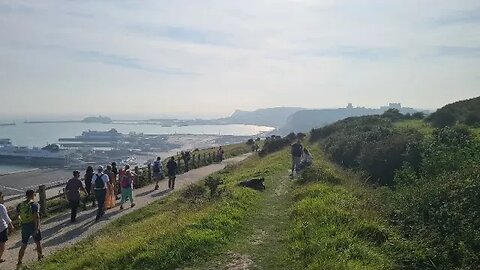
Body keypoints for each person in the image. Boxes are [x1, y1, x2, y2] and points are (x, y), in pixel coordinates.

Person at [17, 190, 43, 266]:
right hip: (32, 225)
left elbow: (18, 215)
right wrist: (37, 227)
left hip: (24, 226)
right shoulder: (34, 204)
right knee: (38, 242)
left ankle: (19, 261)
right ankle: (40, 257)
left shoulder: (20, 205)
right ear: (32, 195)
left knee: (24, 244)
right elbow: (36, 217)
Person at [0, 192, 13, 263]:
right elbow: (6, 217)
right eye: (2, 196)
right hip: (2, 228)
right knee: (2, 244)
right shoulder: (1, 207)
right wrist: (10, 225)